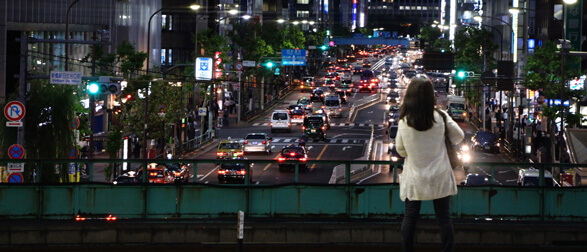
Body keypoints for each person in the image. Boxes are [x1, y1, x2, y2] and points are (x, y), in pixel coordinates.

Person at [395, 77, 464, 252]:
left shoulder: (404, 121)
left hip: (415, 178)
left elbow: (401, 151)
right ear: (430, 96)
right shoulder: (440, 117)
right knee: (444, 219)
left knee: (410, 218)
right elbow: (459, 136)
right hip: (439, 176)